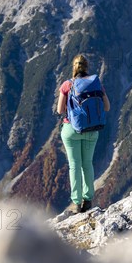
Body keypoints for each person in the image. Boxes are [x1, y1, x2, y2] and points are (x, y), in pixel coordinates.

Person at [57, 54, 110, 214]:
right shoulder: (96, 84)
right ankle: (88, 200)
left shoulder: (67, 85)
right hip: (92, 131)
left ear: (74, 67)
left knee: (74, 165)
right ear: (87, 67)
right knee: (87, 164)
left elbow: (60, 110)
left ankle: (76, 202)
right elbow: (107, 107)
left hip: (71, 130)